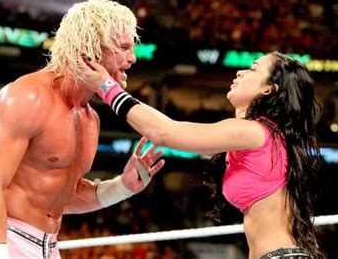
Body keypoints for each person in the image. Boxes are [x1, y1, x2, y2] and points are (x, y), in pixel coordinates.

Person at [0, 0, 165, 259]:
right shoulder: (27, 97)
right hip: (1, 238)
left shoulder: (91, 119)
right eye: (123, 48)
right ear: (91, 48)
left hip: (47, 246)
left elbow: (62, 195)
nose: (132, 58)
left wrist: (121, 187)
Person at [81, 51, 324, 258]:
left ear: (269, 89)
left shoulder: (255, 131)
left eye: (252, 69)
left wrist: (106, 87)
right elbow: (168, 128)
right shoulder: (262, 137)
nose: (240, 72)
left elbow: (163, 132)